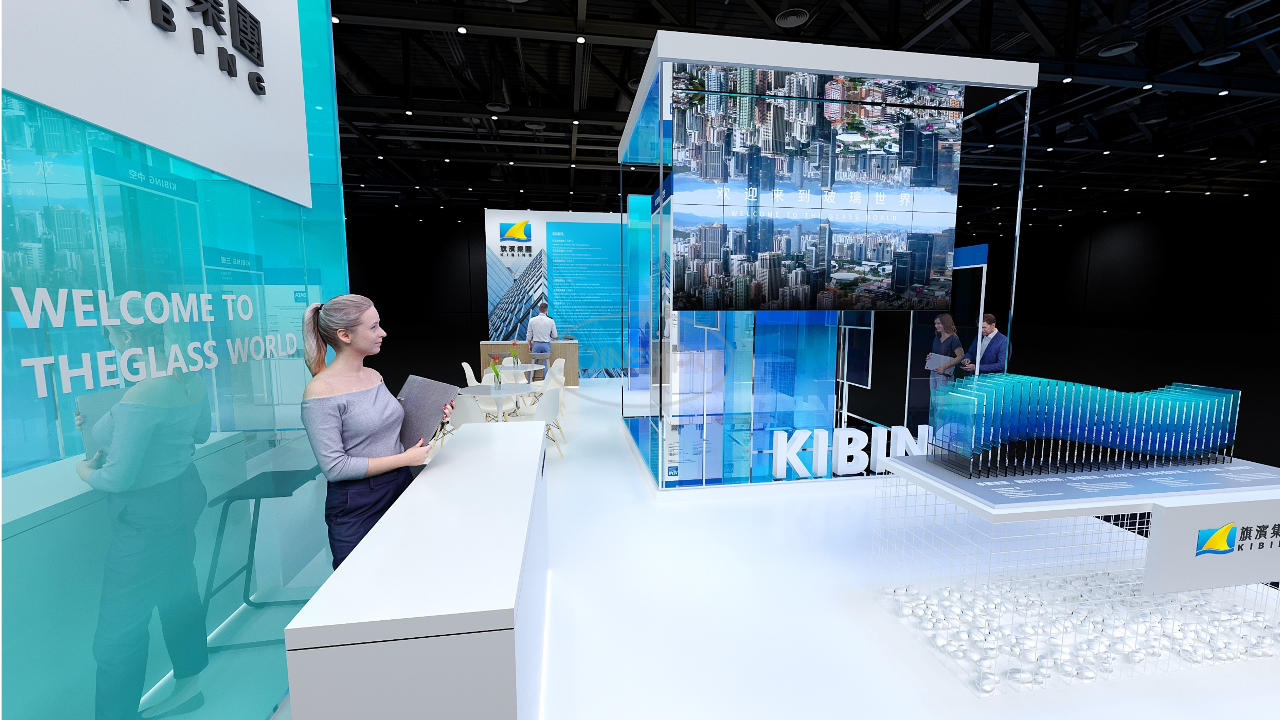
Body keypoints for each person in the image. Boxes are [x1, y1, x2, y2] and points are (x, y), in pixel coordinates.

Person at [75, 298, 210, 720]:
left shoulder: (140, 395)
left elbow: (117, 478)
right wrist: (108, 423)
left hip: (144, 516)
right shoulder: (191, 379)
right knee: (178, 595)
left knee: (118, 631)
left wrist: (84, 471)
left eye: (109, 333)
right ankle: (189, 688)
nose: (109, 341)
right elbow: (201, 434)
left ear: (128, 335)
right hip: (183, 499)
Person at [300, 294, 451, 569]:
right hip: (358, 505)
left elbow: (388, 430)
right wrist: (404, 459)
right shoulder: (320, 391)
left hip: (401, 486)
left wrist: (435, 414)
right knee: (360, 584)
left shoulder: (373, 375)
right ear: (345, 335)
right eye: (373, 327)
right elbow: (335, 467)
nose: (382, 333)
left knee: (410, 573)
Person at [927, 313, 965, 390]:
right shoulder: (937, 338)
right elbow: (936, 354)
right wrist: (930, 358)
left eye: (939, 323)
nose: (936, 326)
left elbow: (960, 356)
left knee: (942, 396)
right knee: (933, 395)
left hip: (945, 374)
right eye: (935, 323)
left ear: (945, 324)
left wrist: (945, 367)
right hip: (934, 371)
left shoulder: (953, 338)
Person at [526, 301, 557, 374]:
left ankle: (531, 379)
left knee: (533, 366)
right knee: (546, 365)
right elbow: (555, 335)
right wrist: (550, 334)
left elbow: (529, 335)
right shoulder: (551, 321)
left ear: (538, 309)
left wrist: (530, 345)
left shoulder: (532, 320)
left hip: (536, 345)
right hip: (546, 345)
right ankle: (546, 380)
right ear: (546, 310)